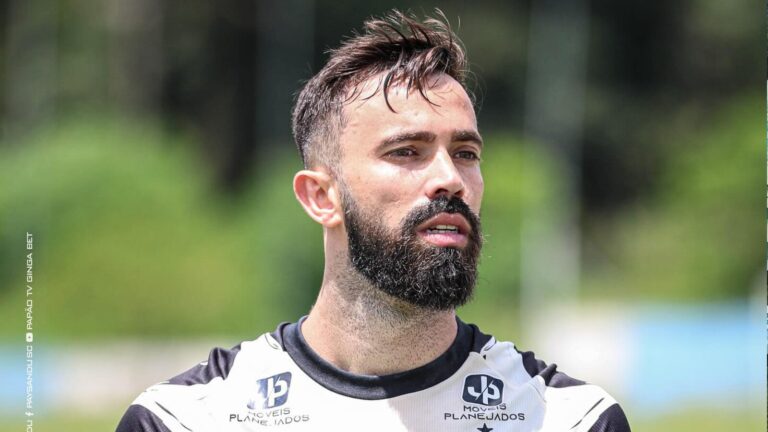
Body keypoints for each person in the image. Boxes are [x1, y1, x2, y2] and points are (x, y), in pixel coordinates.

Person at [116, 10, 630, 432]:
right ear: (321, 196)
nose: (450, 178)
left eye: (466, 152)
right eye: (408, 150)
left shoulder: (571, 420)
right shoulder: (182, 420)